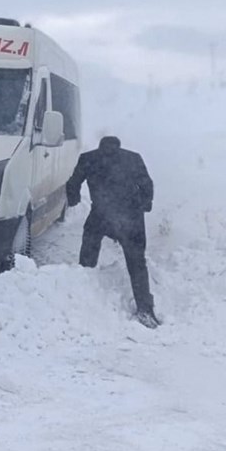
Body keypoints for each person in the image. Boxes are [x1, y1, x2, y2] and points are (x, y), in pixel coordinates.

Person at [66, 136, 160, 328]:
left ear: (101, 146)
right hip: (131, 217)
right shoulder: (133, 158)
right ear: (119, 147)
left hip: (101, 214)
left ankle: (82, 288)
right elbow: (147, 184)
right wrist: (145, 204)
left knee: (89, 246)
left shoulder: (89, 158)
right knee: (137, 262)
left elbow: (73, 183)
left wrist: (73, 198)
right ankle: (144, 308)